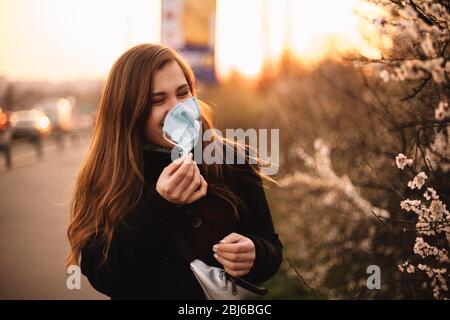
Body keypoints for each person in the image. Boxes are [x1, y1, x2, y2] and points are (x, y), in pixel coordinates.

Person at [66, 43, 282, 299]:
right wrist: (159, 204)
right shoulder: (107, 175)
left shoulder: (233, 161)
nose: (176, 108)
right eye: (158, 100)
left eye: (183, 93)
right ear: (129, 112)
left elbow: (271, 248)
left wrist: (256, 254)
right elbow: (104, 275)